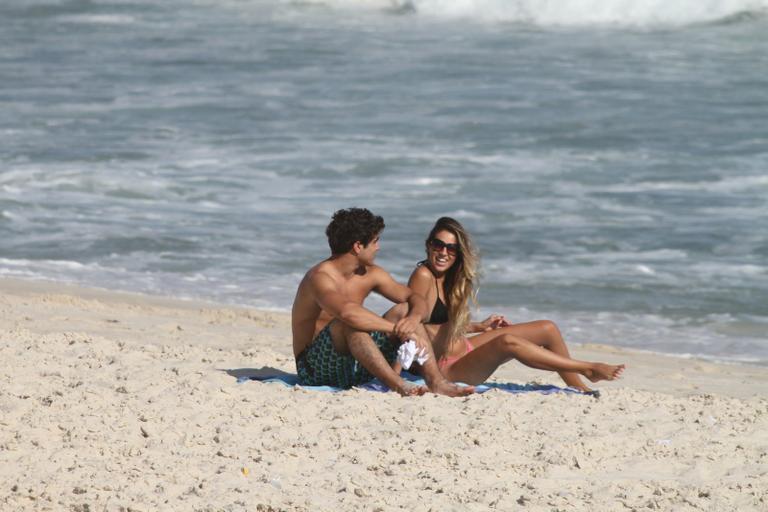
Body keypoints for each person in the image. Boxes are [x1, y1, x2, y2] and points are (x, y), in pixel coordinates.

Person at [406, 216, 625, 392]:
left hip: (464, 347)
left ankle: (579, 388)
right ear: (428, 245)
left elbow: (439, 324)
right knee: (508, 342)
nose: (444, 252)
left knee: (547, 328)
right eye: (439, 245)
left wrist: (478, 327)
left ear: (458, 253)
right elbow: (417, 327)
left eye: (451, 248)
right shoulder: (423, 275)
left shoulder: (451, 278)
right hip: (448, 368)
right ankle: (587, 368)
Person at [291, 208, 474, 397]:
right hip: (315, 370)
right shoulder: (319, 277)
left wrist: (412, 319)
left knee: (403, 310)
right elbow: (348, 313)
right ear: (357, 246)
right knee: (347, 324)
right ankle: (400, 386)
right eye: (375, 241)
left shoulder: (370, 273)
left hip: (356, 364)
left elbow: (414, 298)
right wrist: (397, 329)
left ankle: (437, 382)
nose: (378, 247)